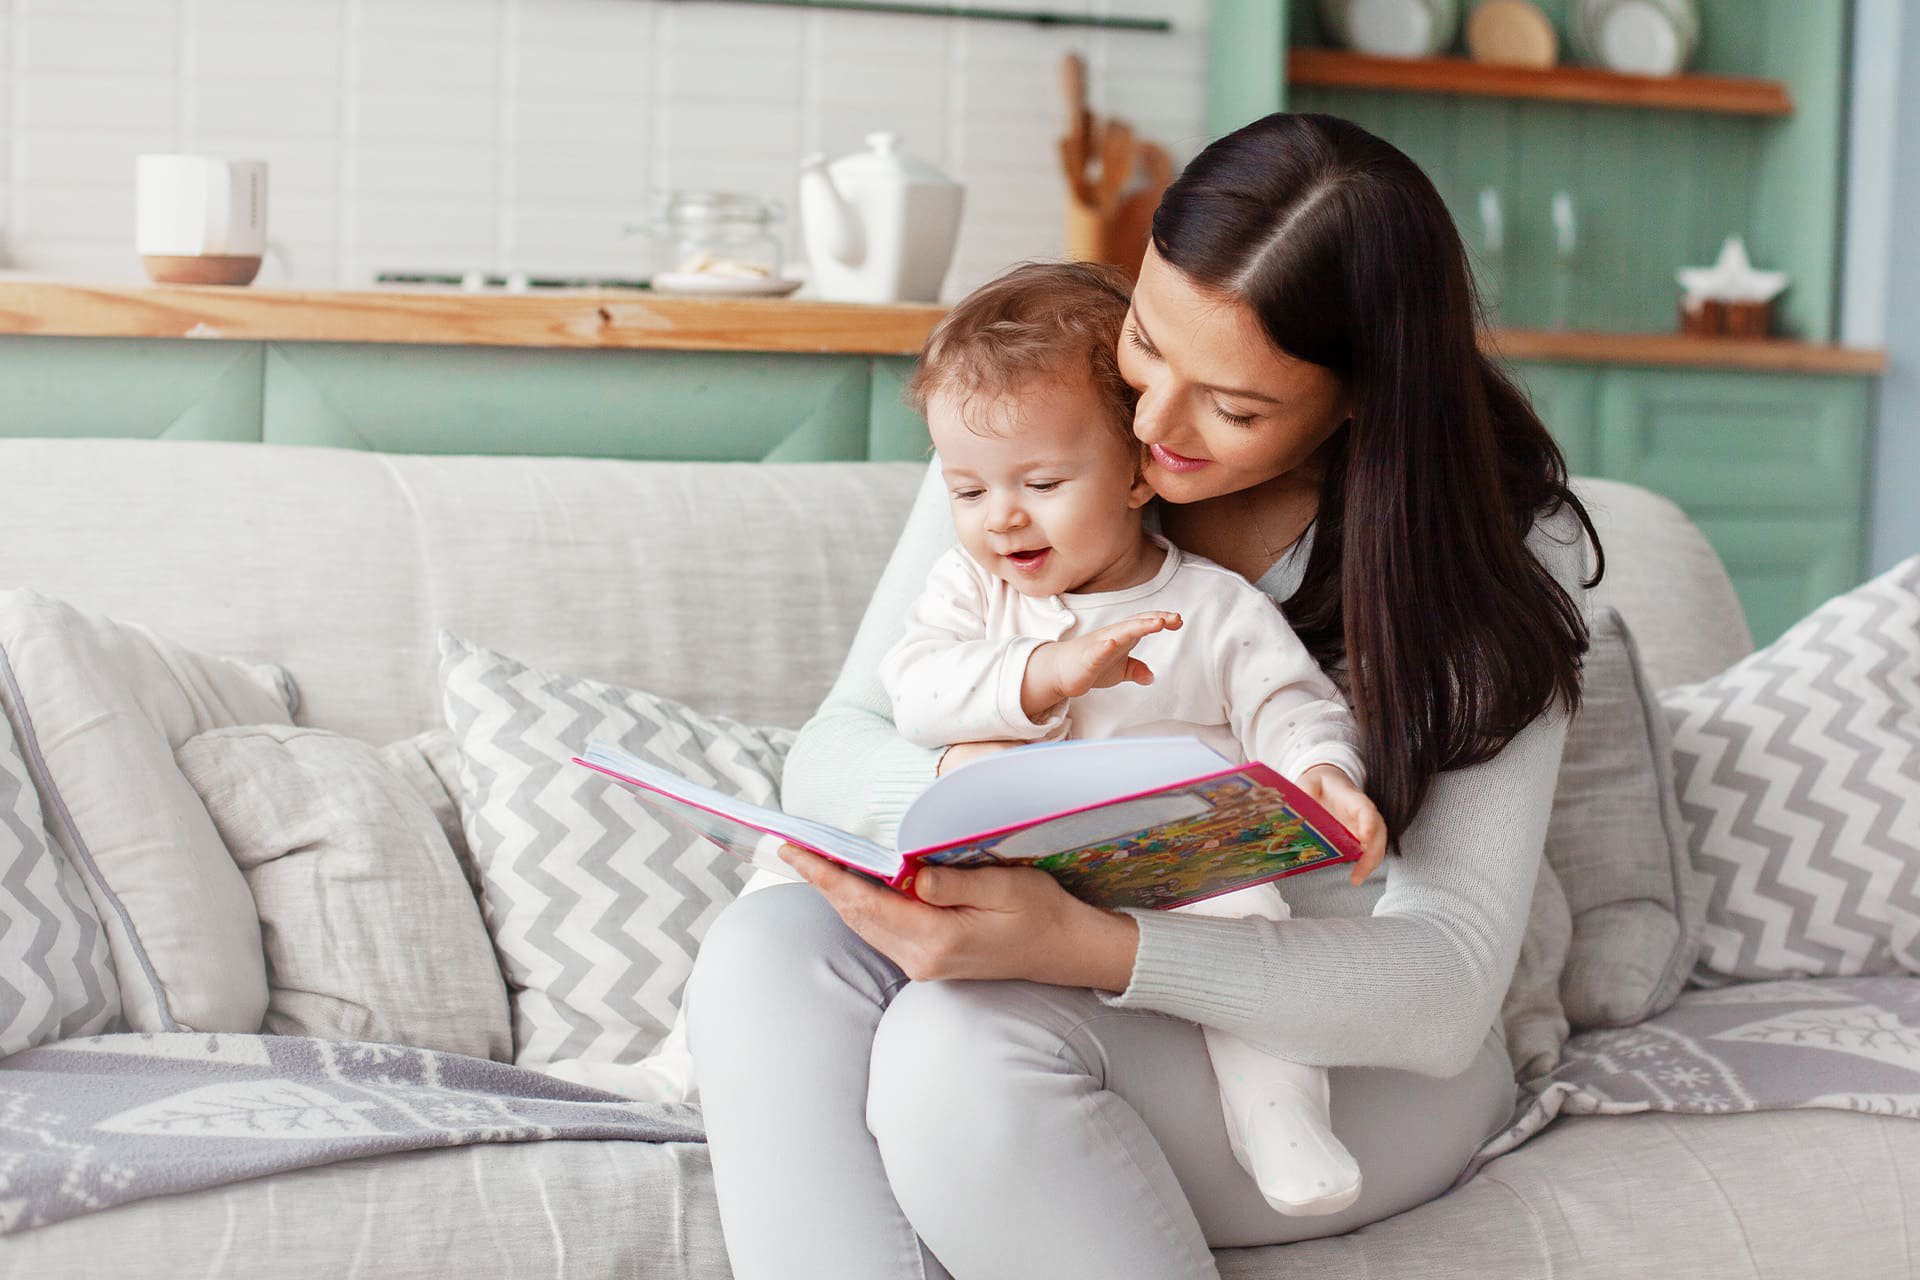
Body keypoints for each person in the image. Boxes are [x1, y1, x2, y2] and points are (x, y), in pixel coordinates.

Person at [684, 111, 1601, 1280]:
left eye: (1235, 405)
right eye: (1149, 343)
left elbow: (1444, 984)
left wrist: (1095, 944)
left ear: (1364, 395)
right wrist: (972, 805)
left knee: (960, 1045)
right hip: (1049, 941)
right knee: (767, 949)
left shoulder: (1495, 551)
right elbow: (839, 744)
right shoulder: (1045, 434)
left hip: (1330, 1039)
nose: (1154, 423)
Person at [875, 259, 1388, 1215]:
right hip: (1004, 863)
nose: (1003, 518)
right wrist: (1043, 676)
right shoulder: (971, 587)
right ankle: (685, 1059)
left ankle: (1279, 1119)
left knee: (1253, 919)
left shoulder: (1211, 605)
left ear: (1137, 471)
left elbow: (1292, 703)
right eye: (968, 491)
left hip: (1168, 867)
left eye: (1042, 481)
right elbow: (914, 688)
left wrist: (1324, 773)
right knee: (794, 882)